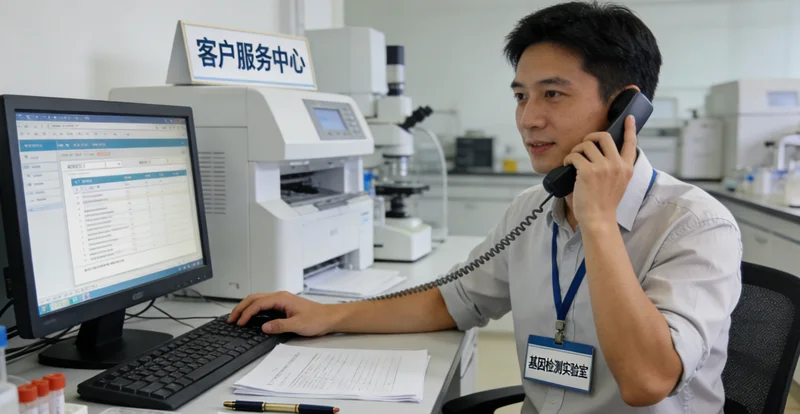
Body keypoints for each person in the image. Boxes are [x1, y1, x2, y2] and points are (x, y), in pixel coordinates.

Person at [229, 1, 742, 412]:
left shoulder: (695, 225)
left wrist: (599, 222)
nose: (529, 119)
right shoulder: (531, 209)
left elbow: (647, 381)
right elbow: (452, 301)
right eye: (521, 96)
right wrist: (329, 315)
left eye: (553, 95)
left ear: (623, 110)